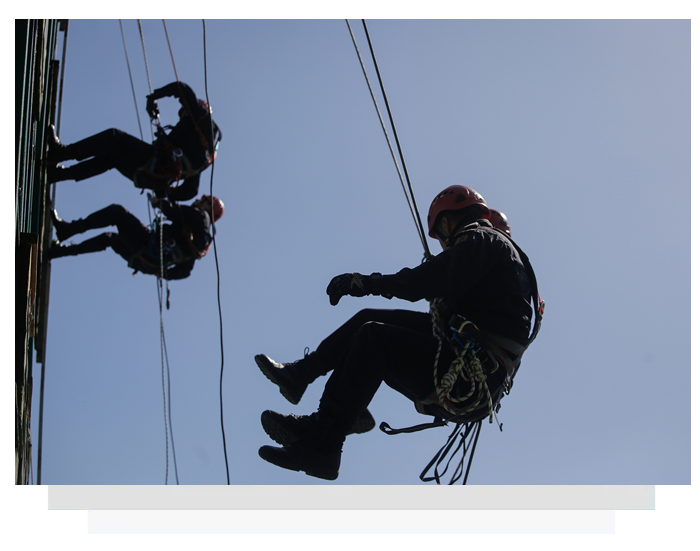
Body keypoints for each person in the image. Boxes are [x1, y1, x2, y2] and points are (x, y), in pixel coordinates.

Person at [256, 185, 541, 480]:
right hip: (471, 371)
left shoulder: (482, 239)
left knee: (374, 339)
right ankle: (305, 379)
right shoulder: (503, 258)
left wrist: (368, 283)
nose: (445, 245)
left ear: (446, 222)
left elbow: (426, 281)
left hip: (466, 376)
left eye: (443, 238)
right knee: (369, 321)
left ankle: (324, 445)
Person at [47, 81, 222, 202]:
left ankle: (62, 153)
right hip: (153, 179)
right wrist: (167, 193)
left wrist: (154, 97)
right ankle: (60, 175)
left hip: (156, 162)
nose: (182, 116)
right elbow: (191, 190)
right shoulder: (202, 155)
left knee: (113, 137)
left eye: (184, 113)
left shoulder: (201, 116)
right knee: (112, 158)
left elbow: (182, 89)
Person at [49, 194, 224, 280]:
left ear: (208, 207)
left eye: (204, 201)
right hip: (149, 264)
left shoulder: (201, 216)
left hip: (148, 244)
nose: (199, 201)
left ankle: (68, 230)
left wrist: (159, 202)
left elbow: (173, 211)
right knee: (110, 238)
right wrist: (161, 273)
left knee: (117, 212)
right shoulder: (203, 244)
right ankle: (59, 252)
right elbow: (185, 271)